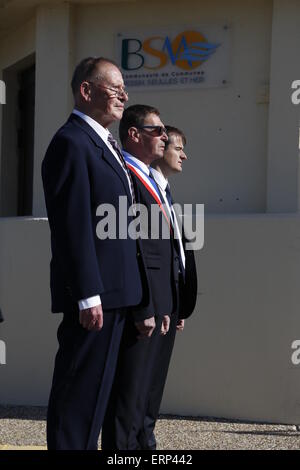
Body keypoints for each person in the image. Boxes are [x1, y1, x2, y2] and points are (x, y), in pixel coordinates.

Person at [42, 58, 150, 450]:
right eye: (115, 86)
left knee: (102, 398)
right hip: (95, 300)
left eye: (125, 87)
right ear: (87, 91)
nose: (124, 94)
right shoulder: (71, 143)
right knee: (78, 401)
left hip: (119, 295)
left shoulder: (107, 145)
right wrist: (88, 294)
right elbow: (73, 228)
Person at [101, 105, 181, 450]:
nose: (165, 136)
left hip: (160, 304)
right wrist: (145, 306)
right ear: (133, 135)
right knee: (127, 398)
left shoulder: (148, 177)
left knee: (145, 396)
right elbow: (132, 250)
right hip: (140, 305)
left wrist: (170, 303)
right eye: (157, 130)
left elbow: (163, 250)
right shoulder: (127, 178)